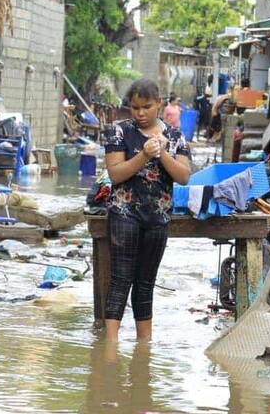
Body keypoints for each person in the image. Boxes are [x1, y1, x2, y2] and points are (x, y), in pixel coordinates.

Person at [104, 78, 192, 341]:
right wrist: (143, 155)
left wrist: (162, 153)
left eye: (146, 107)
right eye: (134, 108)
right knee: (120, 278)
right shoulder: (119, 132)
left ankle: (144, 345)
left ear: (159, 104)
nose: (140, 113)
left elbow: (184, 176)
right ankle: (110, 345)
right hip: (124, 212)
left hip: (158, 216)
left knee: (145, 283)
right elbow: (115, 174)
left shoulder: (175, 136)